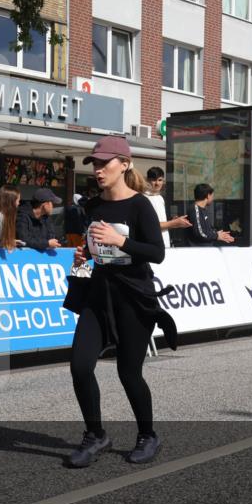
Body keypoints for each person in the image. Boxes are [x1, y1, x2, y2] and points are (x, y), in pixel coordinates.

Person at [66, 135, 177, 469]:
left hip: (133, 297)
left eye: (105, 163)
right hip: (98, 294)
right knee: (80, 366)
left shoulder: (140, 205)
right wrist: (82, 258)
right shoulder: (91, 205)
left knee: (129, 373)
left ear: (124, 164)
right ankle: (95, 434)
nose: (99, 170)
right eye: (95, 164)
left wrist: (120, 240)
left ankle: (147, 435)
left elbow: (156, 253)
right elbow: (93, 251)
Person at [144, 167, 190, 248]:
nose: (157, 183)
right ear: (148, 180)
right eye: (154, 180)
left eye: (160, 180)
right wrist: (173, 223)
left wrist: (174, 222)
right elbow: (149, 226)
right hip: (152, 245)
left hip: (164, 243)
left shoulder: (160, 198)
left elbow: (161, 223)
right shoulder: (144, 198)